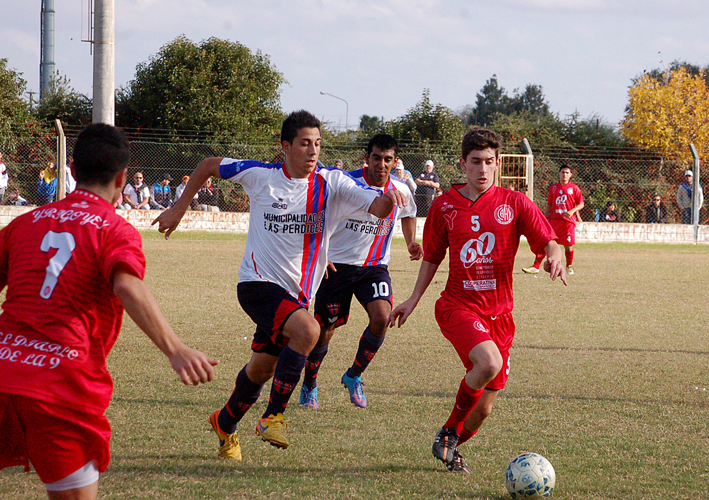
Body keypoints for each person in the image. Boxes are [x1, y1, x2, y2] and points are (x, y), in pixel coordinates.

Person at [152, 110, 406, 460]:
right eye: (304, 143)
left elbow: (375, 205)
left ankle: (224, 422)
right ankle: (272, 416)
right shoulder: (260, 175)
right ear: (285, 146)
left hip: (296, 294)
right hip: (257, 283)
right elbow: (210, 164)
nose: (313, 150)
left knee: (262, 368)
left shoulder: (332, 183)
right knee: (309, 330)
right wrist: (179, 208)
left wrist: (388, 200)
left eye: (317, 143)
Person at [0, 123, 218, 500]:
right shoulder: (114, 230)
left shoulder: (23, 223)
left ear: (72, 167)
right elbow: (126, 285)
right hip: (61, 388)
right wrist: (176, 349)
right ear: (122, 179)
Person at [389, 128, 566, 474]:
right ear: (463, 164)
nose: (482, 170)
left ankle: (450, 447)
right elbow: (432, 257)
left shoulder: (514, 203)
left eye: (488, 162)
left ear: (498, 164)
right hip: (458, 306)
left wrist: (554, 255)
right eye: (475, 162)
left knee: (483, 409)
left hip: (500, 316)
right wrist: (413, 299)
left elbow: (549, 239)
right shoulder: (444, 206)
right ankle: (448, 432)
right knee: (487, 363)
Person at [299, 134, 423, 410]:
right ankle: (309, 383)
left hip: (374, 267)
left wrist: (412, 241)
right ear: (366, 158)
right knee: (325, 329)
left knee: (382, 317)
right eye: (376, 158)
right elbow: (318, 212)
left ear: (394, 162)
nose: (381, 164)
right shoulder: (346, 183)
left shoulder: (401, 188)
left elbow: (409, 212)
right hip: (337, 267)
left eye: (387, 159)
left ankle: (353, 375)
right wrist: (321, 251)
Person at [522, 164, 584, 275]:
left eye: (567, 172)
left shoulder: (574, 188)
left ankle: (569, 266)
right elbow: (550, 204)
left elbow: (581, 204)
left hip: (567, 223)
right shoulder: (553, 187)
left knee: (568, 247)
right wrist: (545, 217)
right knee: (546, 244)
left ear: (570, 175)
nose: (564, 174)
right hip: (554, 221)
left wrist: (571, 211)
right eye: (562, 172)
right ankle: (536, 266)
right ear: (559, 173)